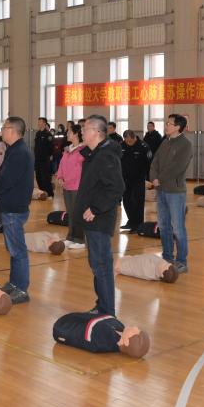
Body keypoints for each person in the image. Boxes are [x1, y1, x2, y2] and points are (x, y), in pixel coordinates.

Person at [75, 115, 126, 315]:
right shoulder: (94, 154)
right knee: (96, 264)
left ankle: (107, 311)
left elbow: (116, 188)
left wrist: (95, 208)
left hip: (99, 219)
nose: (81, 132)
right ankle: (102, 305)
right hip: (91, 219)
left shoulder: (105, 156)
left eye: (85, 129)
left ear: (97, 132)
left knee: (102, 266)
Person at [0, 117, 35, 304]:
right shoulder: (14, 150)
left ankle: (21, 289)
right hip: (11, 206)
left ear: (12, 130)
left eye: (4, 127)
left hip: (14, 207)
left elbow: (8, 179)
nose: (1, 131)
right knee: (13, 249)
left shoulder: (19, 153)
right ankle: (14, 283)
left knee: (18, 250)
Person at [149, 114, 193, 273]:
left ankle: (181, 261)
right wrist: (153, 177)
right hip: (161, 190)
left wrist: (159, 179)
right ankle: (167, 257)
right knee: (164, 226)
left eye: (169, 123)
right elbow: (155, 162)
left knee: (178, 228)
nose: (166, 125)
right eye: (167, 123)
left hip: (175, 192)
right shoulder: (165, 142)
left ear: (178, 127)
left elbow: (178, 167)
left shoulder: (185, 145)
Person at [55, 123, 85, 249]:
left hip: (77, 186)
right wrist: (60, 177)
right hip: (66, 186)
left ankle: (80, 240)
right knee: (71, 213)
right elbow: (62, 165)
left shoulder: (83, 150)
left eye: (69, 132)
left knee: (78, 213)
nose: (67, 134)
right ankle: (71, 237)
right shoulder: (67, 150)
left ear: (76, 134)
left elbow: (81, 170)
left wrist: (69, 179)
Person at [120, 130, 149, 232]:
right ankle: (131, 221)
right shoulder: (122, 145)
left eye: (130, 141)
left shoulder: (143, 146)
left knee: (137, 201)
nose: (128, 143)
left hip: (138, 179)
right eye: (126, 141)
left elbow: (149, 163)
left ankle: (138, 224)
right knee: (126, 201)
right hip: (125, 179)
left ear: (134, 137)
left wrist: (148, 179)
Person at [34, 117, 54, 198]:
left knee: (45, 177)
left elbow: (51, 147)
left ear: (44, 123)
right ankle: (42, 193)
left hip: (45, 159)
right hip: (37, 158)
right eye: (38, 122)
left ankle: (50, 193)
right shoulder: (38, 133)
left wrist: (49, 156)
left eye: (40, 122)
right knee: (38, 177)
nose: (38, 123)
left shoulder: (48, 134)